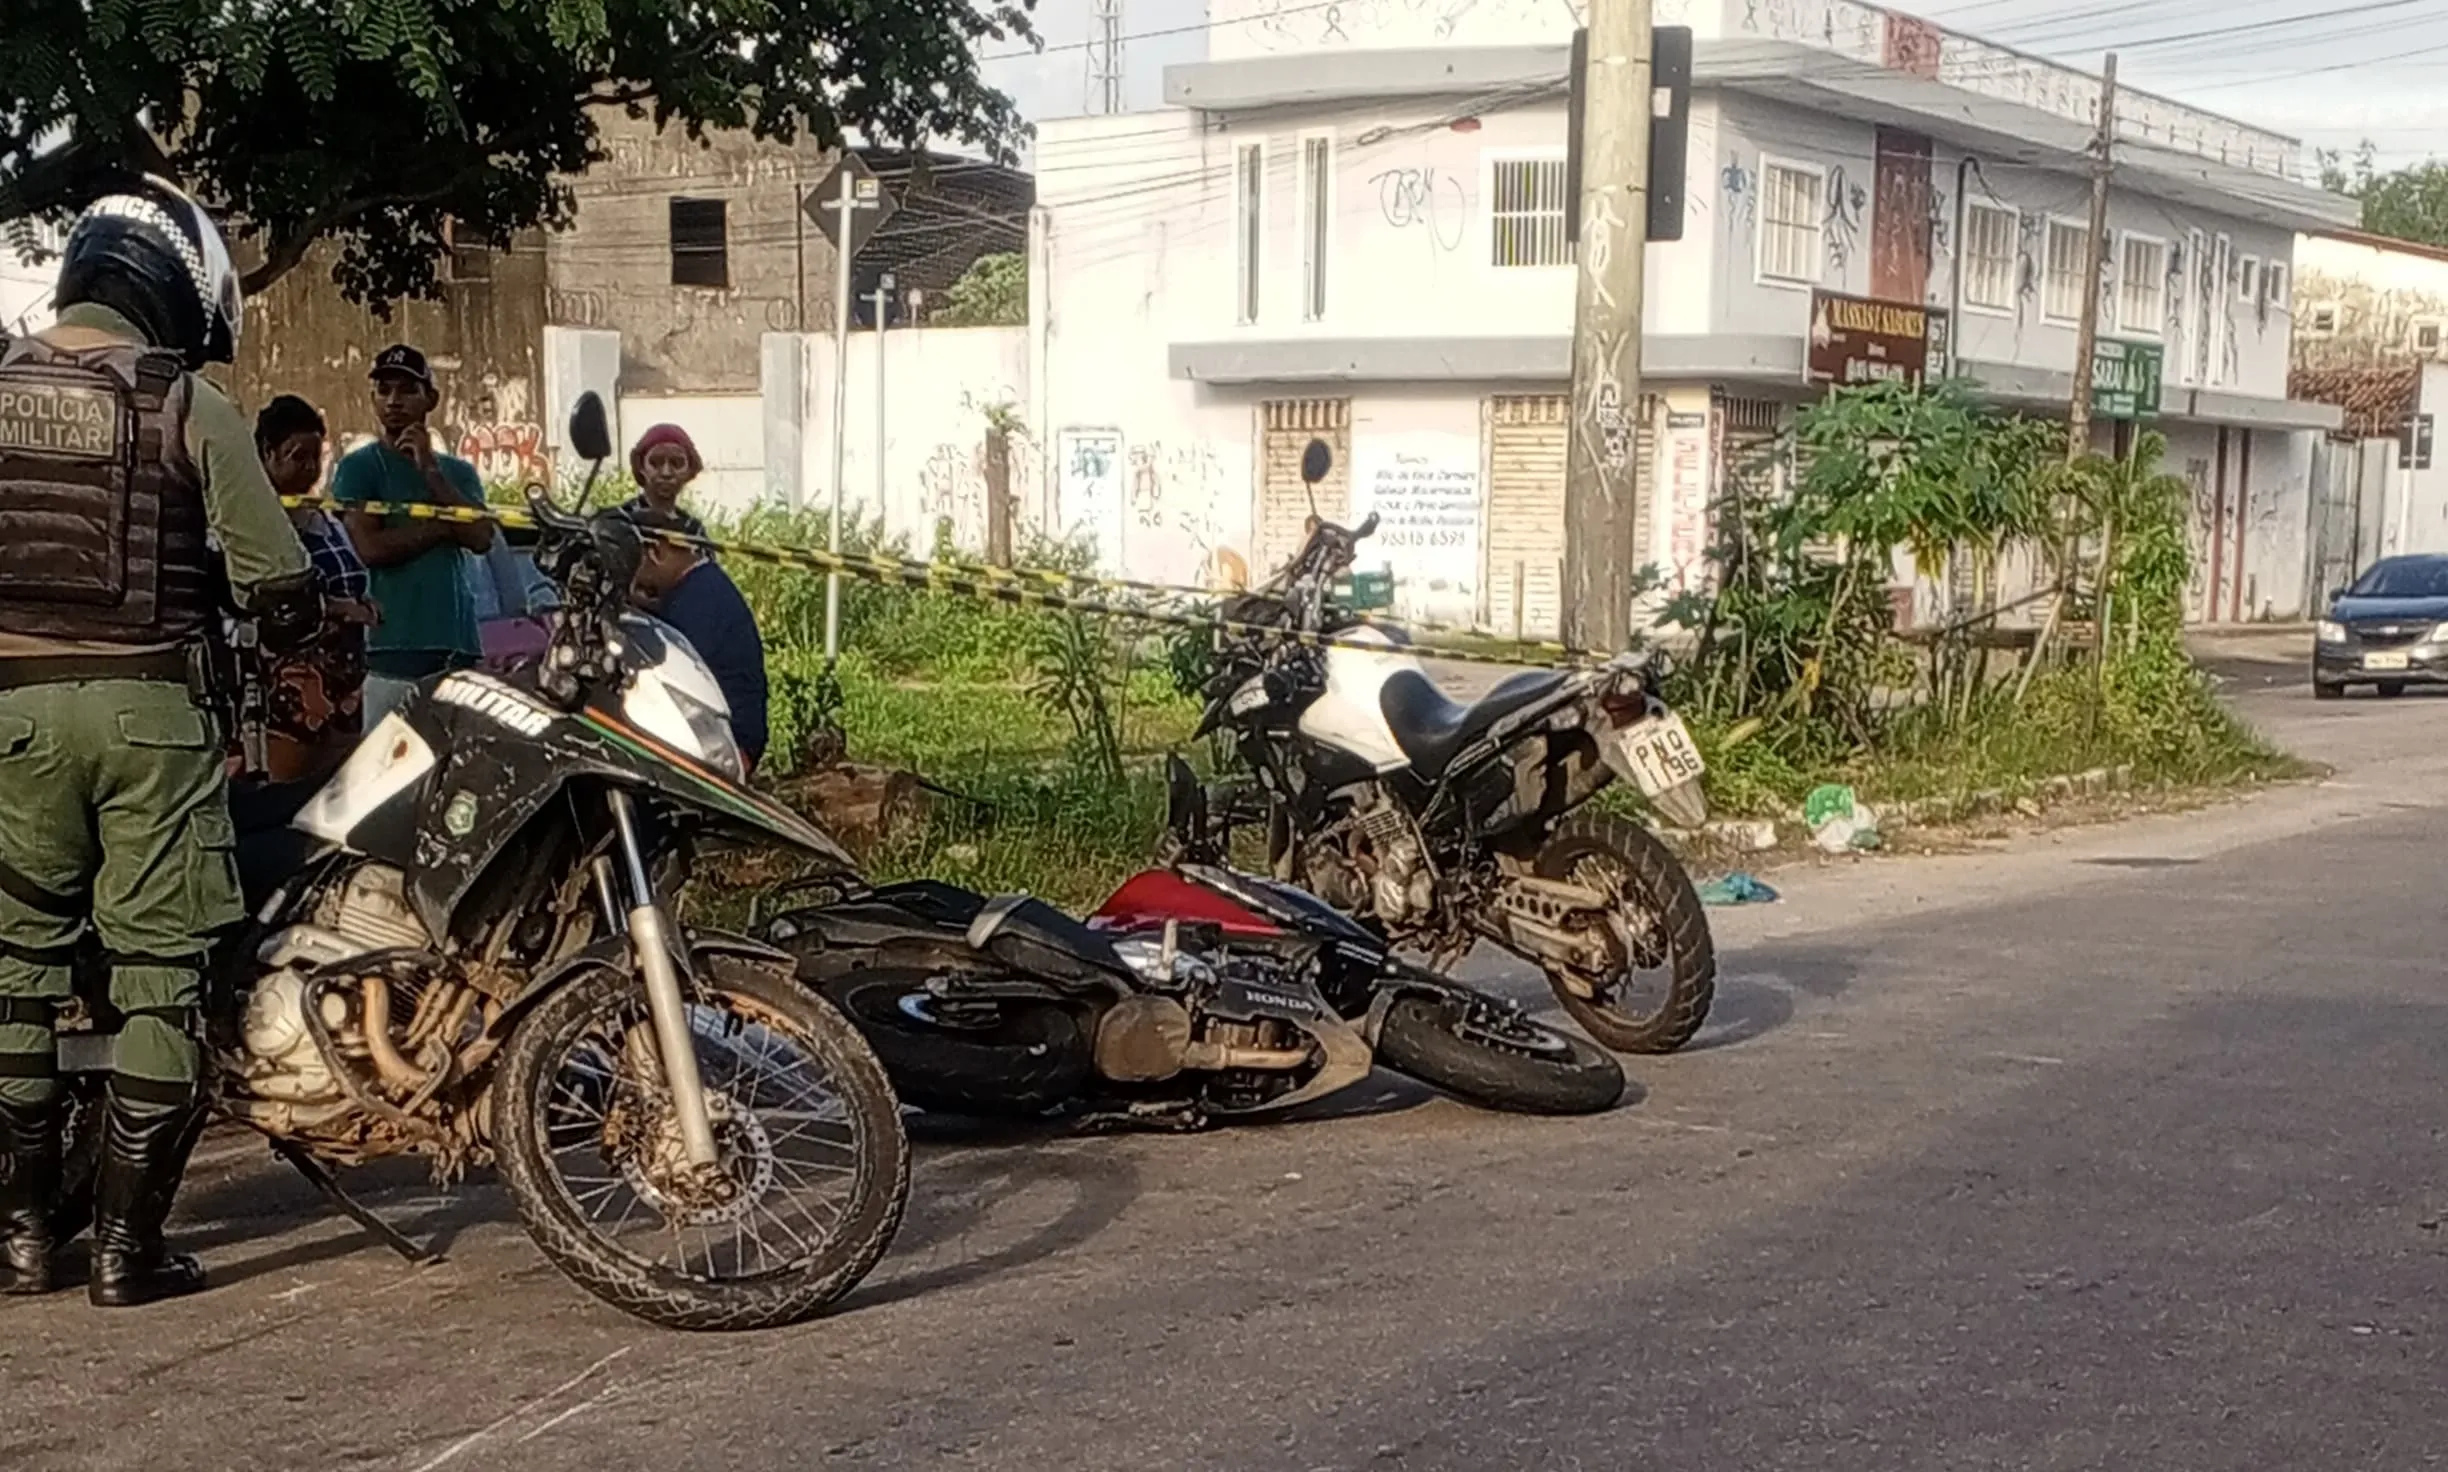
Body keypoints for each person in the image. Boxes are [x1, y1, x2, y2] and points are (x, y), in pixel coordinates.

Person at [0, 175, 319, 1306]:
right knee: (159, 981)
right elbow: (278, 582)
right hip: (153, 722)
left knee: (15, 978)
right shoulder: (186, 401)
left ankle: (22, 1239)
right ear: (172, 292)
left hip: (11, 724)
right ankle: (126, 1253)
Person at [331, 344, 494, 725]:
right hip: (392, 651)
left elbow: (481, 538)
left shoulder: (459, 473)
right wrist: (444, 526)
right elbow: (370, 547)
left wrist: (431, 471)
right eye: (384, 390)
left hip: (457, 649)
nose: (394, 401)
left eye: (407, 390)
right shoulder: (360, 467)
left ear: (430, 399)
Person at [254, 395, 377, 782]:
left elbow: (352, 576)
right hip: (295, 689)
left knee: (339, 792)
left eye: (315, 458)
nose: (309, 468)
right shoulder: (258, 524)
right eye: (297, 457)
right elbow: (263, 597)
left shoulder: (325, 518)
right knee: (288, 792)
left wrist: (364, 603)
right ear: (268, 453)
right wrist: (337, 608)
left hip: (346, 685)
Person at [630, 506, 767, 775]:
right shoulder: (702, 586)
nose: (636, 576)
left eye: (635, 563)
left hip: (726, 742)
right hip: (732, 731)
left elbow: (666, 662)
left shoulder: (696, 602)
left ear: (655, 552)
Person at [624, 423, 708, 537]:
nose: (666, 473)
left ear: (689, 470)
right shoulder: (620, 522)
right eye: (656, 462)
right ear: (641, 467)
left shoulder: (693, 530)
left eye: (677, 463)